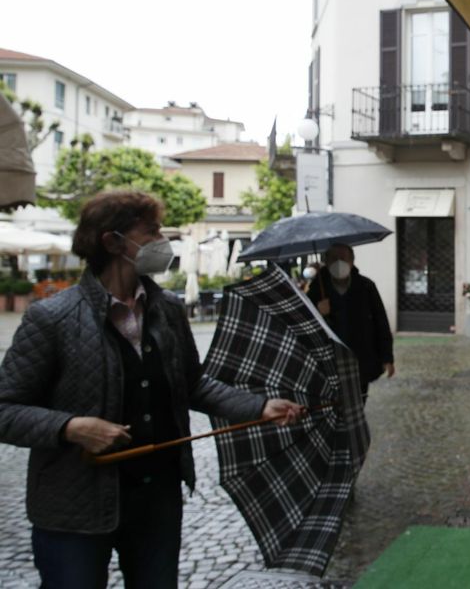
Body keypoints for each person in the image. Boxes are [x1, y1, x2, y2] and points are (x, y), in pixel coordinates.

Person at [0, 190, 304, 589]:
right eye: (151, 232)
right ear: (112, 242)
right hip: (73, 506)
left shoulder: (168, 309)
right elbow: (5, 410)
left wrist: (258, 407)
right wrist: (72, 427)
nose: (163, 242)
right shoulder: (52, 318)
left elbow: (192, 384)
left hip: (157, 501)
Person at [307, 243, 394, 402]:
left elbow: (380, 321)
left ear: (352, 261)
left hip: (360, 359)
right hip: (330, 363)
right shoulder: (316, 289)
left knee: (358, 404)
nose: (339, 262)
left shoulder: (366, 286)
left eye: (343, 258)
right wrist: (318, 313)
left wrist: (387, 357)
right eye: (334, 258)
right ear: (326, 261)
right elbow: (305, 324)